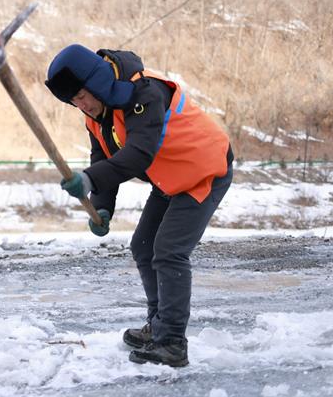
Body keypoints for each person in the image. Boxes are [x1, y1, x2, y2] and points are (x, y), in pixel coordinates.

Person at [45, 44, 233, 367]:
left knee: (169, 250)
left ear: (95, 82)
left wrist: (88, 179)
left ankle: (172, 342)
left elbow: (138, 154)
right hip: (170, 177)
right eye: (74, 101)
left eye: (82, 96)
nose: (82, 105)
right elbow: (103, 155)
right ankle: (158, 326)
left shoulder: (144, 94)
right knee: (143, 246)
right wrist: (102, 206)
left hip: (204, 170)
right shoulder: (96, 114)